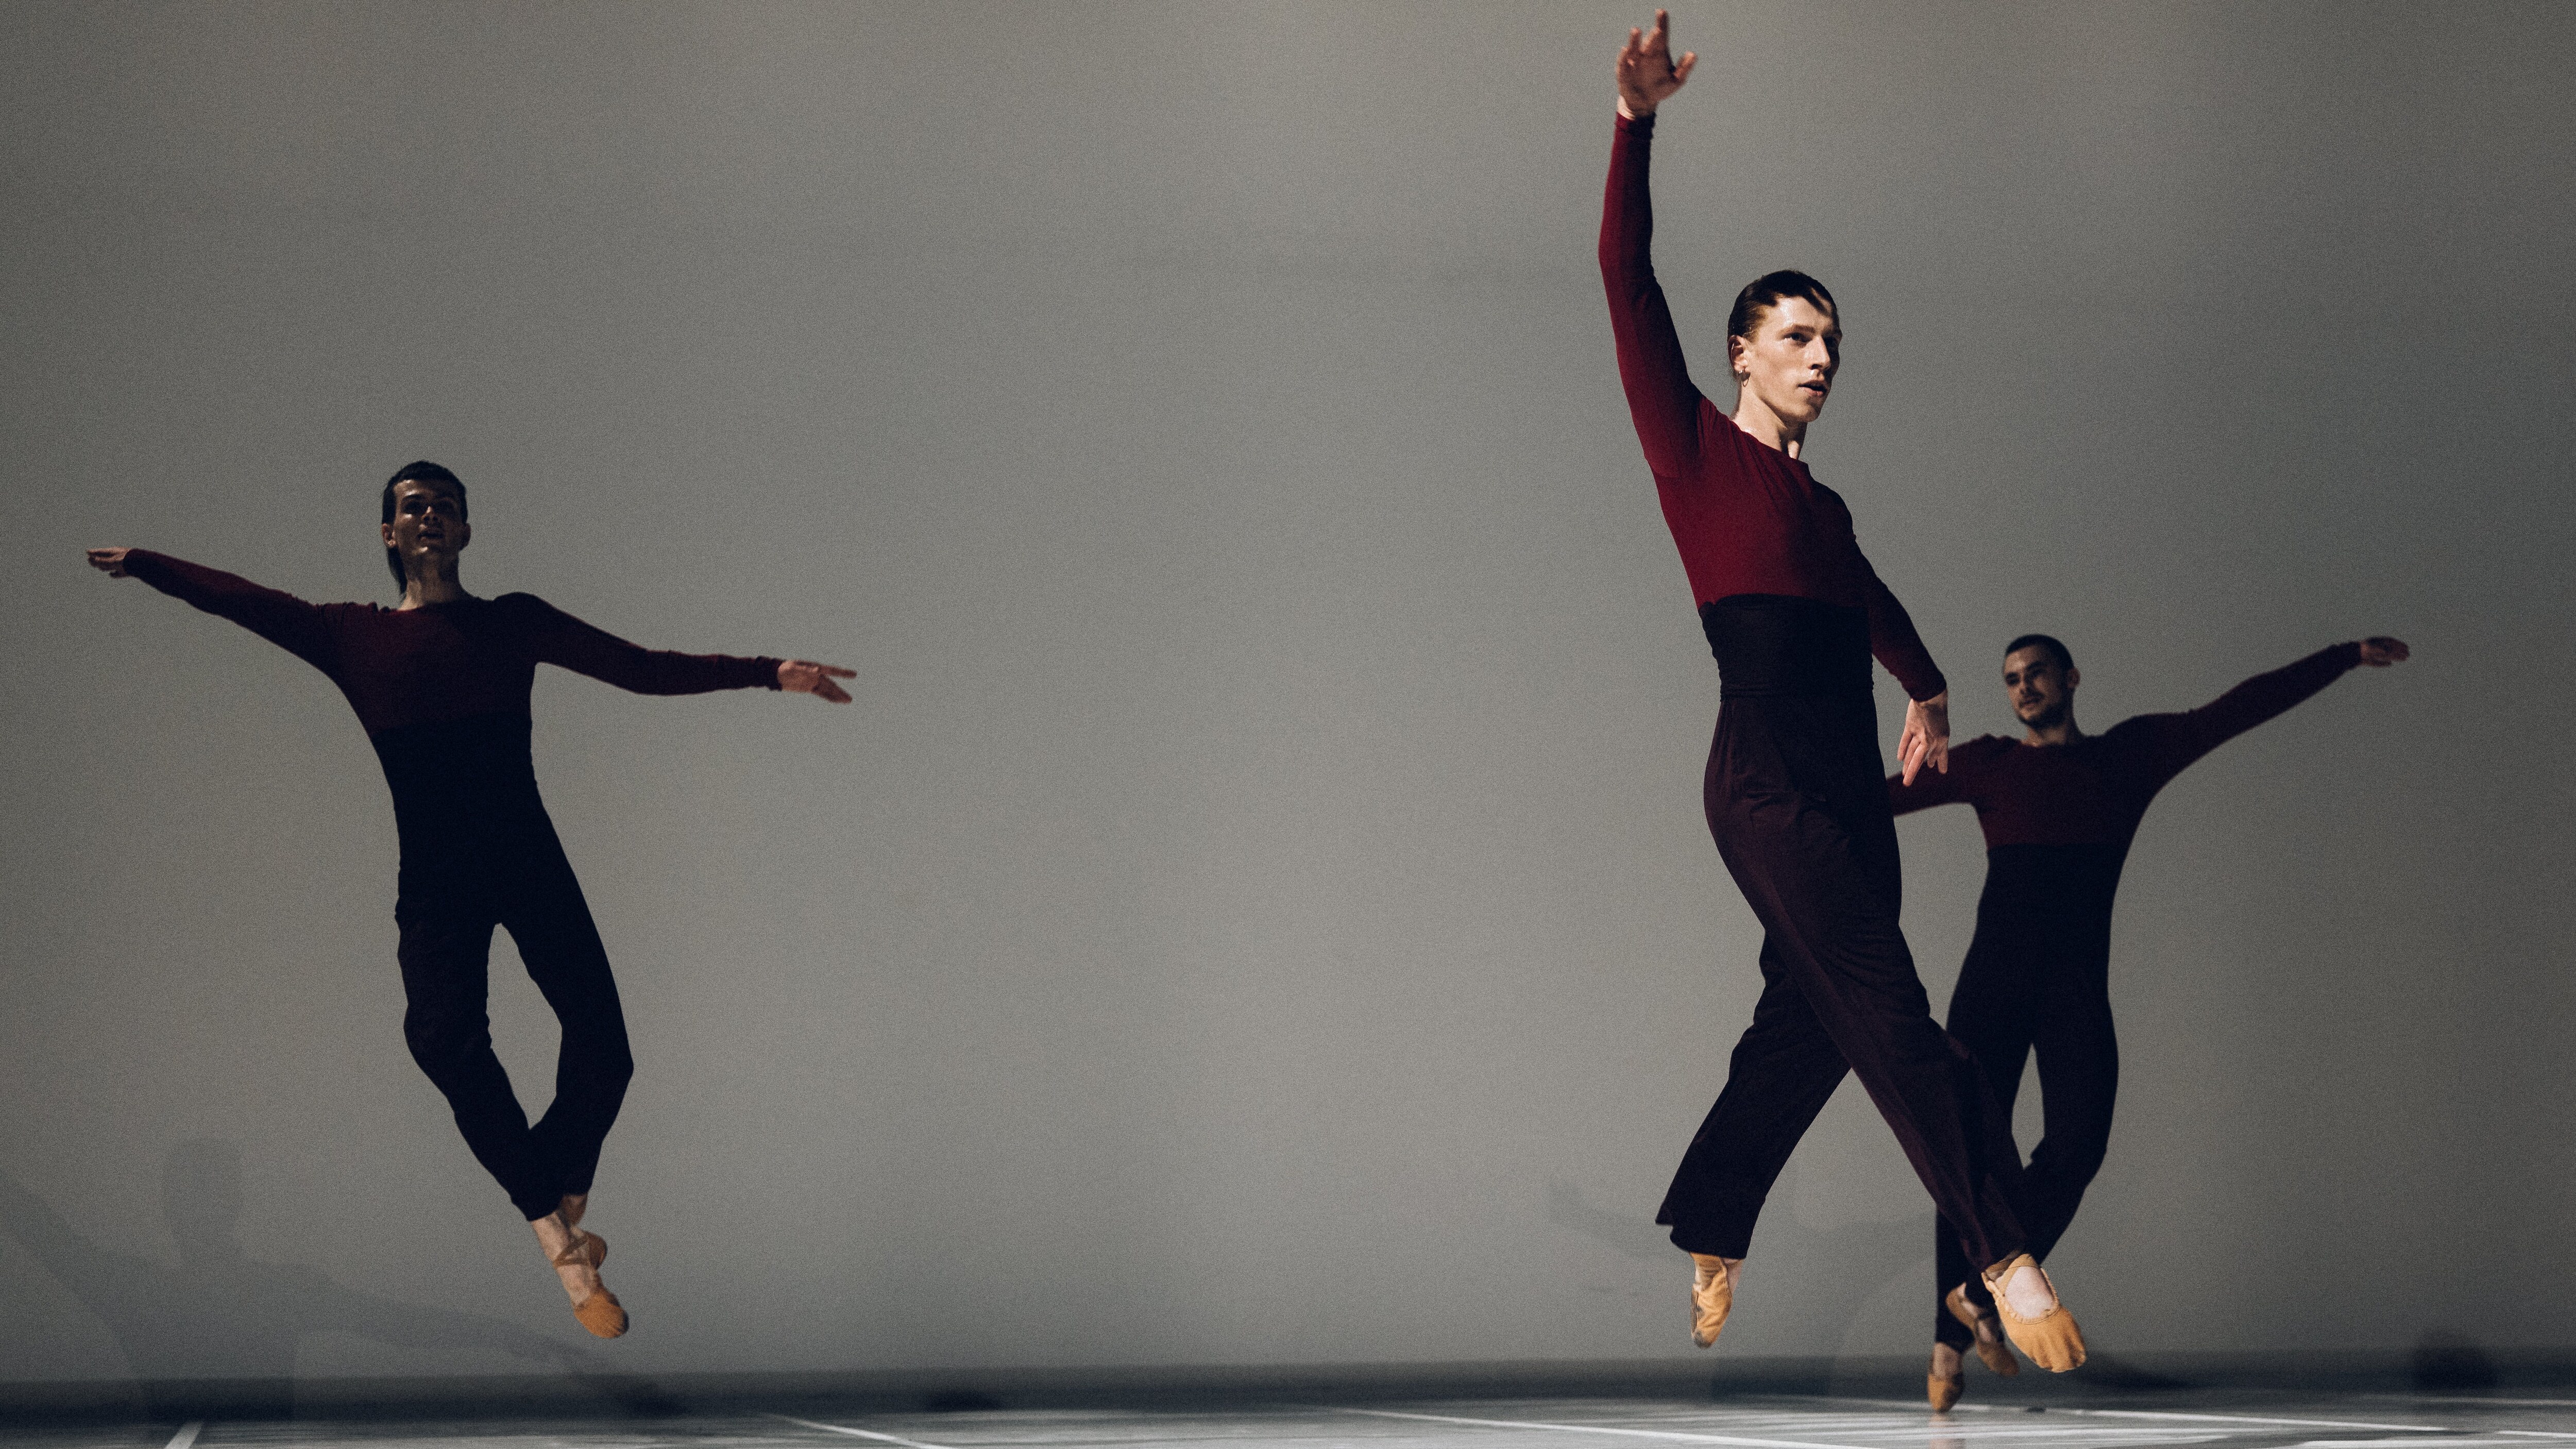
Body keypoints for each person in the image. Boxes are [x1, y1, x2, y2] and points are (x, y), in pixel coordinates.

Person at [86, 461, 854, 1339]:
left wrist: (769, 672)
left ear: (464, 533)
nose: (430, 517)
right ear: (389, 534)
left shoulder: (510, 622)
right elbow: (244, 601)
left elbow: (639, 670)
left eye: (446, 508)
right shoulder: (350, 636)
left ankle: (562, 1204)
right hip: (439, 878)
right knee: (441, 1042)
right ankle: (560, 1240)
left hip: (527, 857)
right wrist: (150, 562)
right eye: (413, 507)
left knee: (607, 1051)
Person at [1601, 11, 2081, 1372]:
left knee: (1810, 1020)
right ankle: (2007, 1252)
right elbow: (1625, 278)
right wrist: (1635, 126)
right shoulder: (1693, 448)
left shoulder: (1824, 502)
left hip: (1850, 777)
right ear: (1744, 351)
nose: (1819, 356)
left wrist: (1927, 689)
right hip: (1761, 780)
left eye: (1832, 340)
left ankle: (1711, 1212)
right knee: (1893, 1012)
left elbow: (1869, 597)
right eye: (1796, 335)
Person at [1894, 632, 2408, 1408]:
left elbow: (2235, 710)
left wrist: (2340, 657)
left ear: (2071, 677)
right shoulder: (1991, 763)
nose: (2024, 688)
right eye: (2010, 680)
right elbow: (1876, 795)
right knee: (1972, 1157)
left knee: (2080, 1141)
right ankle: (1950, 1343)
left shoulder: (2126, 759)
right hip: (1993, 984)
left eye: (2036, 674)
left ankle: (1971, 1296)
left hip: (2072, 983)